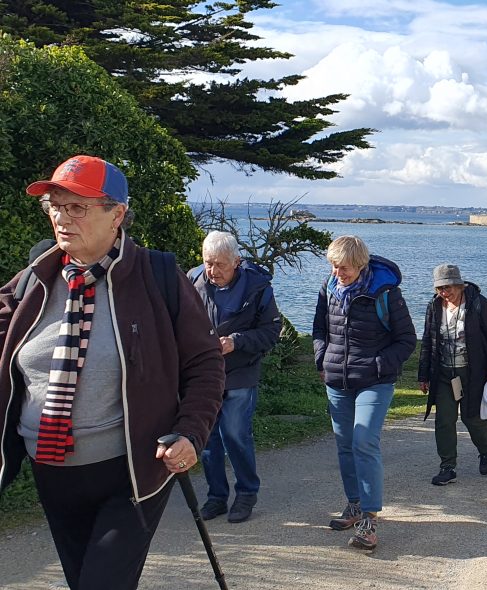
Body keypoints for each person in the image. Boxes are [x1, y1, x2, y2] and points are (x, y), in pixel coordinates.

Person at [0, 155, 225, 589]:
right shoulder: (35, 277)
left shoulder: (156, 276)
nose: (62, 218)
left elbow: (205, 362)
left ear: (117, 214)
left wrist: (190, 432)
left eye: (77, 207)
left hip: (131, 471)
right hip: (50, 467)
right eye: (54, 206)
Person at [313, 235, 415, 551]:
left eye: (343, 267)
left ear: (359, 264)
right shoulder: (328, 288)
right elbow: (319, 329)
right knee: (345, 446)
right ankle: (354, 505)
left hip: (374, 381)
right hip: (337, 381)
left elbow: (407, 339)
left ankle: (369, 519)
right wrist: (321, 358)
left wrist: (379, 364)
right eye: (333, 266)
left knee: (364, 441)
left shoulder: (385, 292)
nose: (336, 272)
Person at [188, 230, 282, 523]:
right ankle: (216, 497)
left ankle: (246, 495)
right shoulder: (192, 281)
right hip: (203, 373)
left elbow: (271, 331)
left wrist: (236, 341)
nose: (212, 271)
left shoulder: (257, 286)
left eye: (220, 264)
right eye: (208, 263)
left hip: (241, 370)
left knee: (235, 433)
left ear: (237, 262)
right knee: (207, 439)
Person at [417, 264, 487, 486]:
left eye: (448, 287)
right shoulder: (433, 306)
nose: (444, 292)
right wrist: (423, 374)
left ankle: (486, 448)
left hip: (472, 372)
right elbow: (428, 341)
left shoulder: (478, 304)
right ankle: (448, 467)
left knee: (472, 417)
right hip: (443, 373)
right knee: (444, 420)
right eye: (440, 288)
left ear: (459, 285)